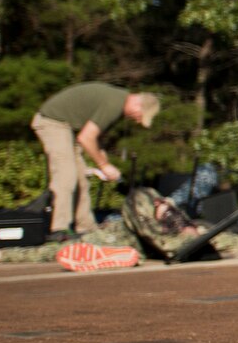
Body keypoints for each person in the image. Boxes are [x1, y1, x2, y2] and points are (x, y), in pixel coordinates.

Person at [30, 83, 159, 239]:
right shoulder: (115, 104)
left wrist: (105, 162)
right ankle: (58, 229)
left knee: (82, 181)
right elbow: (86, 138)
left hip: (69, 129)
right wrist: (103, 165)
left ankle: (86, 228)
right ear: (137, 104)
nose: (137, 120)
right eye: (140, 115)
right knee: (66, 176)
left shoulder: (118, 102)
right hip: (52, 122)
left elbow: (95, 138)